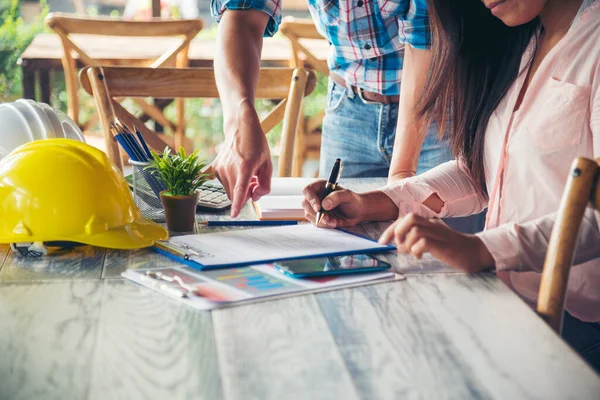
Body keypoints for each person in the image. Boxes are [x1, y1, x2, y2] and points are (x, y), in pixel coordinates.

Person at [302, 0, 600, 371]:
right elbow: (483, 171)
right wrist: (373, 203)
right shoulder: (522, 39)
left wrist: (483, 248)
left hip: (578, 321)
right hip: (507, 300)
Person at [209, 0, 454, 218]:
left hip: (439, 108)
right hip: (348, 110)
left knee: (444, 251)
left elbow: (426, 39)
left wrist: (401, 179)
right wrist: (239, 121)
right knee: (340, 235)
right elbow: (243, 15)